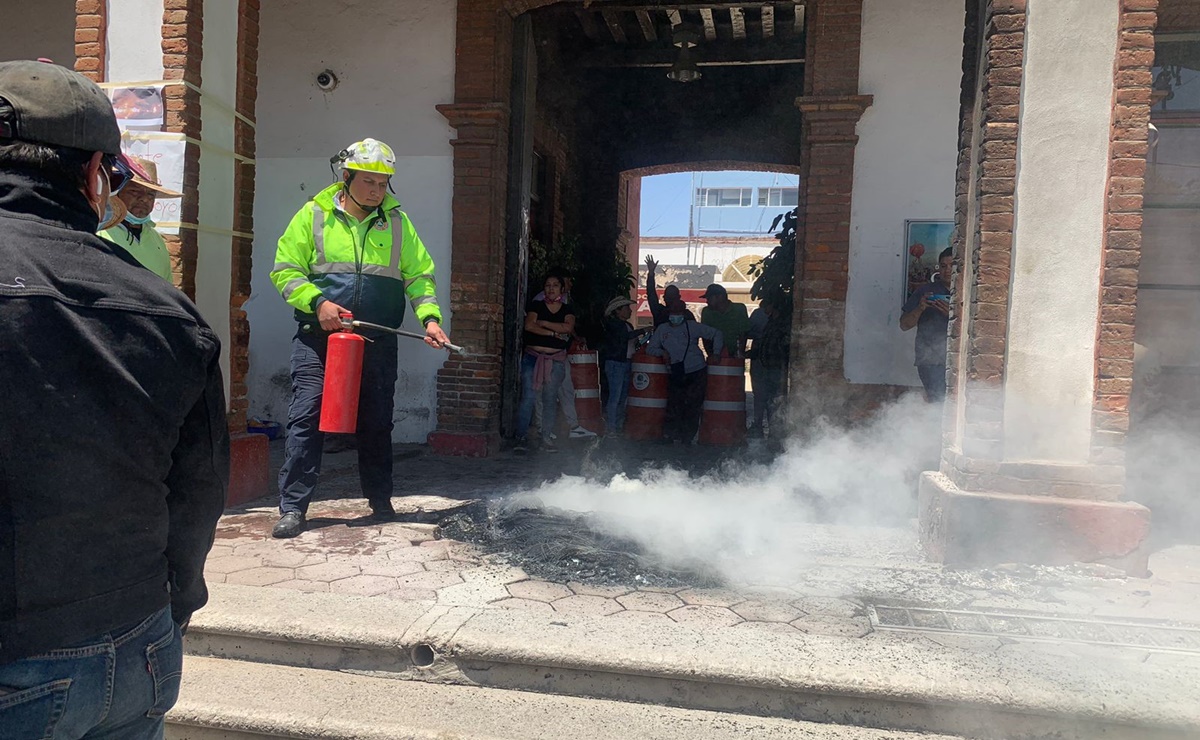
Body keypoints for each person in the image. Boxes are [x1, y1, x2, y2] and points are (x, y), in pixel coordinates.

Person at [0, 60, 228, 736]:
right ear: (98, 173)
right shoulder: (173, 313)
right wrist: (175, 602)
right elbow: (200, 486)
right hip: (137, 643)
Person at [270, 137, 451, 538]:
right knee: (308, 417)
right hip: (318, 337)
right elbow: (285, 270)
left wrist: (431, 319)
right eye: (369, 181)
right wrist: (318, 303)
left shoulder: (398, 223)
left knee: (376, 420)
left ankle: (380, 501)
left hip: (375, 341)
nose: (376, 190)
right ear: (347, 176)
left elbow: (419, 276)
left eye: (383, 183)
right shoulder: (313, 216)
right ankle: (293, 509)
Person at [647, 299, 724, 444]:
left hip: (696, 370)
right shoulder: (662, 329)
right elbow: (651, 348)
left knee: (693, 406)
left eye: (679, 312)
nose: (676, 315)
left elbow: (717, 334)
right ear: (669, 313)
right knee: (674, 404)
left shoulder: (693, 327)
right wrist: (662, 353)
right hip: (675, 371)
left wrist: (716, 353)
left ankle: (687, 438)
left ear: (683, 313)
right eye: (673, 312)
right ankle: (670, 435)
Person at [515, 273, 576, 453]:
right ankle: (521, 437)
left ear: (561, 289)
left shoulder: (567, 310)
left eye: (555, 285)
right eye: (548, 285)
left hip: (555, 360)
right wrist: (552, 333)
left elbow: (568, 328)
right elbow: (529, 326)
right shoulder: (536, 305)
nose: (551, 288)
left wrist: (544, 323)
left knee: (550, 399)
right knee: (528, 397)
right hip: (532, 358)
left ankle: (546, 438)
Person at [533, 267, 595, 440]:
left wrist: (572, 335)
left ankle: (573, 425)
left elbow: (567, 326)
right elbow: (535, 324)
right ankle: (542, 427)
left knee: (565, 388)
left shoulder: (564, 300)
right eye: (567, 282)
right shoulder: (539, 301)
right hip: (542, 353)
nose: (570, 285)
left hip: (560, 352)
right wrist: (555, 330)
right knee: (541, 390)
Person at [98, 154, 182, 281]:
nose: (144, 199)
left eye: (151, 194)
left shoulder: (157, 240)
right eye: (135, 191)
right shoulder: (100, 232)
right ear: (117, 192)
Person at [900, 246, 953, 402]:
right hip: (931, 360)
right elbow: (904, 325)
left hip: (961, 359)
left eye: (952, 266)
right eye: (943, 266)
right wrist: (920, 308)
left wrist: (952, 316)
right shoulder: (925, 291)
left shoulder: (968, 290)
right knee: (938, 402)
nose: (947, 270)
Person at [599, 296, 650, 434]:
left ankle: (617, 425)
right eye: (627, 308)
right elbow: (623, 338)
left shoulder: (626, 325)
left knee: (621, 396)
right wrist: (643, 330)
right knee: (616, 396)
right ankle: (612, 427)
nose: (630, 311)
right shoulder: (615, 325)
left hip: (624, 362)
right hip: (617, 362)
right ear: (618, 311)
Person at [746, 292, 789, 438]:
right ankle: (767, 429)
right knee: (764, 396)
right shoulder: (771, 321)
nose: (765, 308)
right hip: (766, 366)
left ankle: (775, 431)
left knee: (775, 399)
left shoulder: (782, 324)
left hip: (776, 368)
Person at [700, 282, 750, 358]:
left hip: (735, 355)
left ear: (720, 297)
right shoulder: (706, 312)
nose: (707, 301)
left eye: (709, 298)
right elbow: (705, 336)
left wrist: (739, 353)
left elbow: (743, 333)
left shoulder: (739, 309)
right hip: (715, 356)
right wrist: (711, 355)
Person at [644, 254, 695, 328]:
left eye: (672, 297)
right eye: (669, 297)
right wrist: (651, 273)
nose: (671, 300)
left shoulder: (660, 312)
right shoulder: (687, 314)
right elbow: (651, 295)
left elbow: (651, 294)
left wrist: (651, 273)